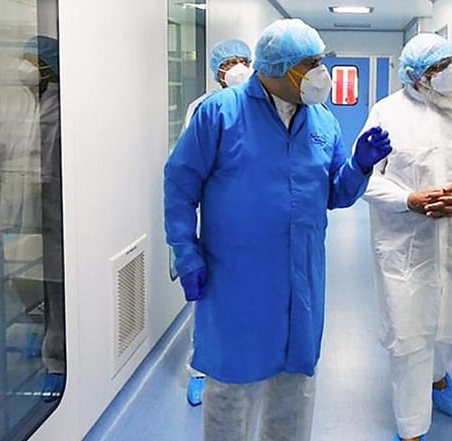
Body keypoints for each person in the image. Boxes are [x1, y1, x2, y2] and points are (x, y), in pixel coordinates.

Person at [164, 18, 391, 441]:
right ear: (277, 68)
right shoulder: (221, 114)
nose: (320, 74)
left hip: (301, 278)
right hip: (235, 280)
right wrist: (186, 252)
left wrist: (359, 166)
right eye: (311, 64)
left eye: (321, 62)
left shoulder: (322, 120)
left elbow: (335, 194)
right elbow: (179, 185)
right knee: (233, 390)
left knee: (295, 388)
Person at [360, 33, 452, 441]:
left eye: (450, 62)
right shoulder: (387, 112)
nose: (448, 74)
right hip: (408, 245)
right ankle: (411, 430)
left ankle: (439, 376)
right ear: (415, 77)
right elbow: (366, 180)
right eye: (436, 68)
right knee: (409, 336)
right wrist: (408, 199)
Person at [0, 35, 65, 403]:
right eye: (25, 59)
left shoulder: (66, 109)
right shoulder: (12, 108)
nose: (27, 68)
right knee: (21, 279)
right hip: (18, 214)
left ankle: (59, 361)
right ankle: (46, 329)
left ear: (52, 68)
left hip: (56, 216)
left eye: (36, 61)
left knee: (56, 285)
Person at [179, 38, 253, 408]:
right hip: (219, 221)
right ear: (217, 71)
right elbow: (186, 167)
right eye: (230, 62)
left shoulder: (266, 106)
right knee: (211, 300)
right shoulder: (203, 108)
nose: (237, 67)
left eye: (243, 60)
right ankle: (199, 370)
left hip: (259, 221)